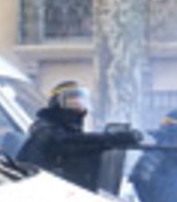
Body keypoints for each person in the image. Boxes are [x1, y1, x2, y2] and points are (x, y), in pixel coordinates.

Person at [15, 80, 143, 194]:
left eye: (81, 99)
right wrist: (113, 138)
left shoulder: (68, 129)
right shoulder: (46, 129)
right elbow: (73, 144)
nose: (78, 103)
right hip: (47, 194)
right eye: (71, 99)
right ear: (57, 103)